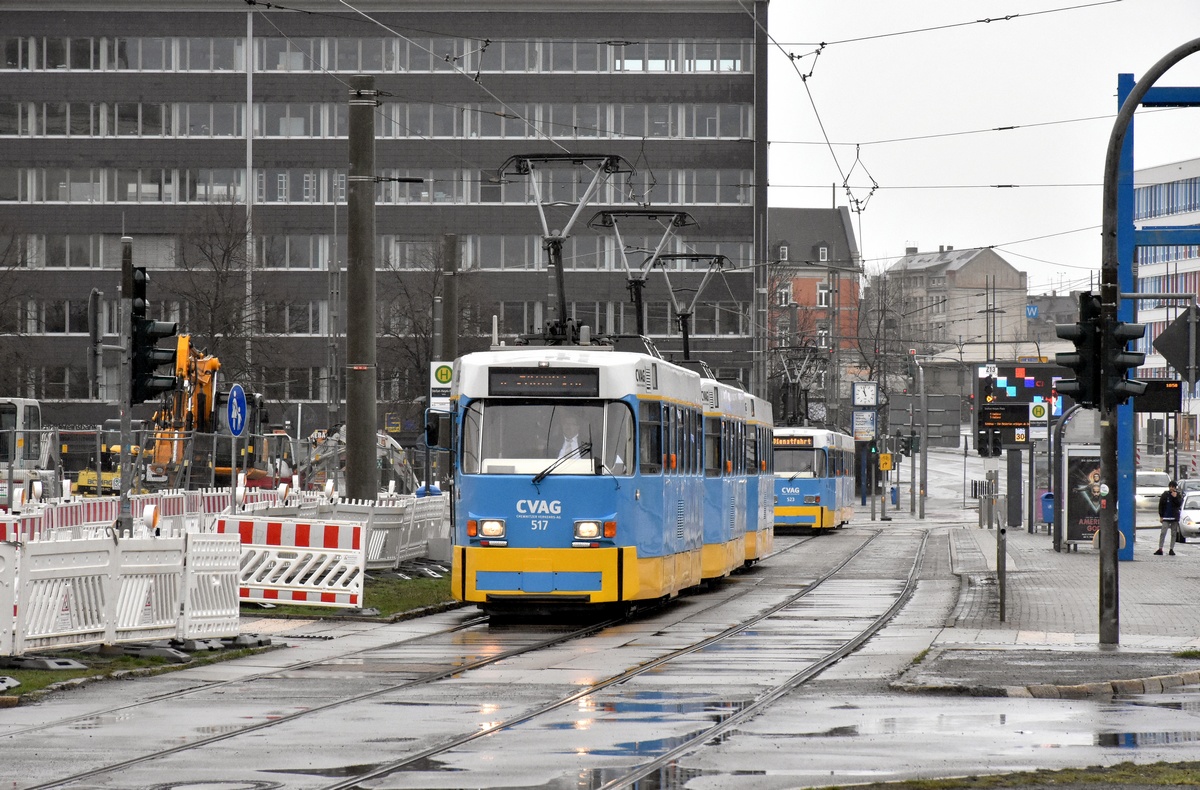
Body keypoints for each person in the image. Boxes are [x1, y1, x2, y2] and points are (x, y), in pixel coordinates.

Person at [1157, 479, 1182, 556]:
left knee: (1173, 533)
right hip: (1166, 517)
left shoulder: (1178, 495)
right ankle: (1160, 548)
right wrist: (1161, 516)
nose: (1172, 488)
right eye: (1170, 487)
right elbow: (1161, 505)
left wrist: (1175, 497)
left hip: (1174, 517)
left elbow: (1179, 504)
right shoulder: (1165, 494)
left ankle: (1171, 549)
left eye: (1173, 487)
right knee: (1163, 533)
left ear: (1175, 487)